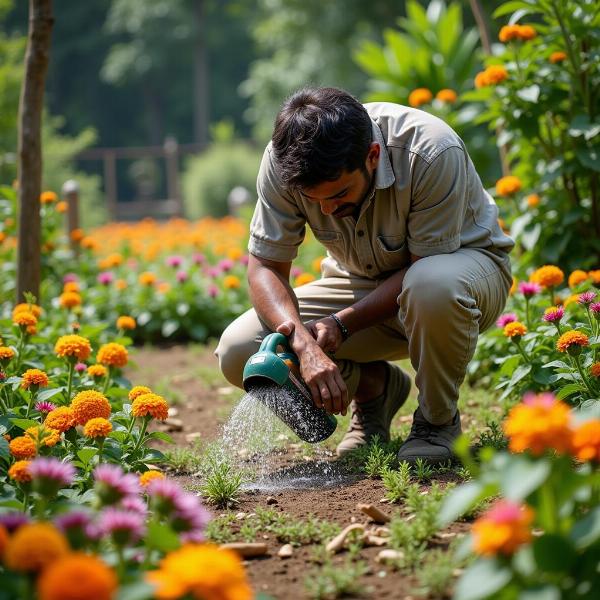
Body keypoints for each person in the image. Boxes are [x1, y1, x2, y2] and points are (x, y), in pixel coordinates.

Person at [215, 87, 513, 464]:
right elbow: (265, 267)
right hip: (360, 284)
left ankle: (437, 424)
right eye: (314, 200)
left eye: (338, 194)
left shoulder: (430, 149)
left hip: (461, 278)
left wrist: (341, 324)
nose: (327, 208)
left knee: (430, 285)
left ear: (372, 156)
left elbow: (421, 269)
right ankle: (374, 388)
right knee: (239, 350)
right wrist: (304, 345)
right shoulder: (283, 160)